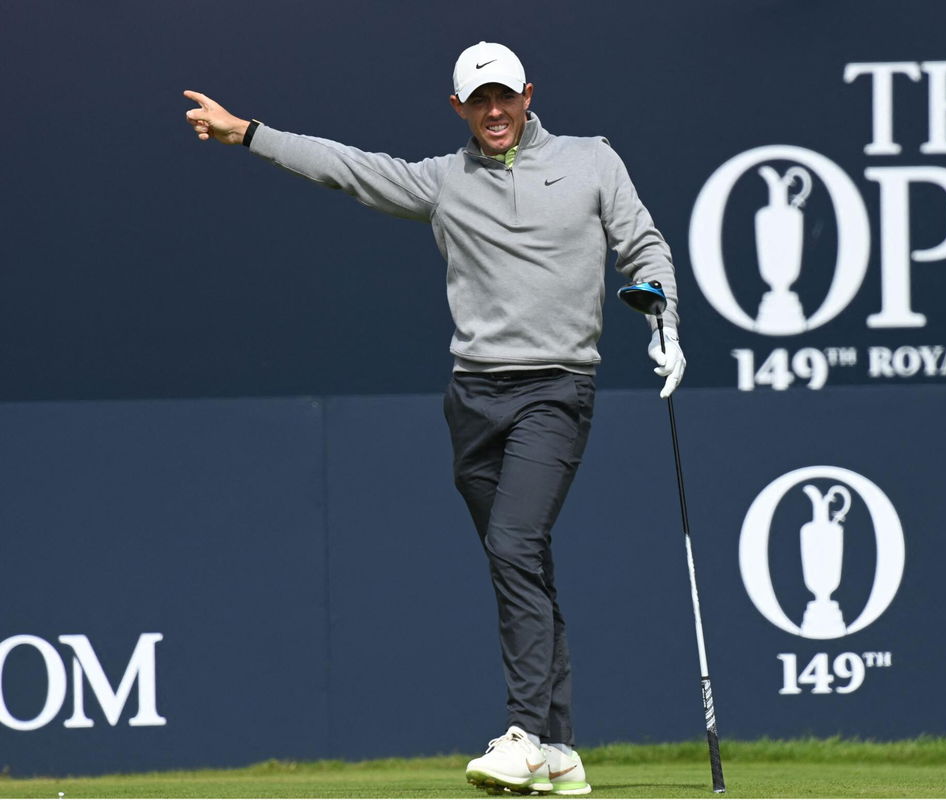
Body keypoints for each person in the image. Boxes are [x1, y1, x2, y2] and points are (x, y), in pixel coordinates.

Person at [183, 40, 684, 796]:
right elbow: (346, 167)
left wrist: (664, 320)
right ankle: (560, 747)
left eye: (504, 97)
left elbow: (641, 245)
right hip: (473, 401)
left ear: (527, 94)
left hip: (557, 388)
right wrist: (249, 132)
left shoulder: (592, 161)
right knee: (524, 564)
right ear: (458, 108)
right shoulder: (443, 181)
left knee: (516, 544)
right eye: (478, 101)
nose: (494, 112)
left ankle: (523, 732)